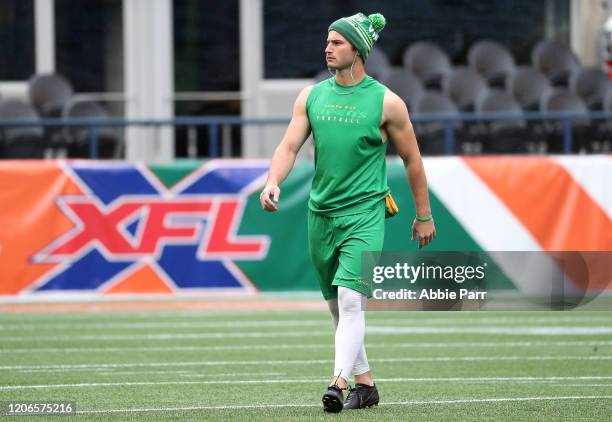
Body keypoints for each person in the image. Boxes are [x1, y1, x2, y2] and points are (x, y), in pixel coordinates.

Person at [259, 12, 436, 413]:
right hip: (320, 214)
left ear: (358, 50)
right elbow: (288, 147)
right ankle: (366, 384)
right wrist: (273, 181)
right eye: (327, 40)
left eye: (337, 42)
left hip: (365, 213)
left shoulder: (388, 102)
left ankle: (337, 383)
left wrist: (423, 214)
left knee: (351, 300)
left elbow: (412, 160)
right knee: (338, 306)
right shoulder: (311, 97)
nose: (328, 47)